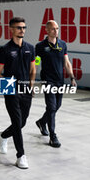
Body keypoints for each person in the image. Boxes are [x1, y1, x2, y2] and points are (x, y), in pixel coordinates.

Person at [0, 17, 36, 169]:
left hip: (26, 88)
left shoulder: (30, 48)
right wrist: (8, 85)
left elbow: (33, 69)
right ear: (11, 29)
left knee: (22, 122)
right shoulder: (5, 49)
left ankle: (3, 135)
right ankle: (21, 155)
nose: (22, 30)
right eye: (19, 27)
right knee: (17, 123)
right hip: (10, 88)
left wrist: (31, 85)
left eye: (24, 27)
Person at [35, 20, 77, 148]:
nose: (56, 31)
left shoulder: (62, 44)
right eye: (53, 29)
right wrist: (31, 78)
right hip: (48, 80)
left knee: (57, 105)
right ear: (47, 30)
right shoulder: (40, 46)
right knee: (52, 107)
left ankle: (42, 122)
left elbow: (67, 62)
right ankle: (53, 136)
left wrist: (72, 77)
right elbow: (36, 62)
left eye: (57, 28)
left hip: (59, 80)